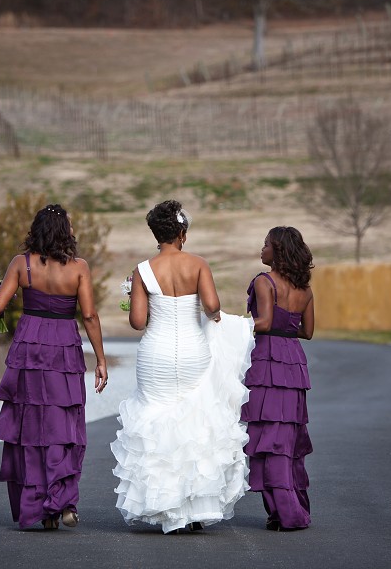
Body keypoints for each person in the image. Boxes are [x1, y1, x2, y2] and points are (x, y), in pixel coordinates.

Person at [110, 200, 254, 534]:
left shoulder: (143, 270)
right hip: (192, 351)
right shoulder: (198, 264)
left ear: (156, 234)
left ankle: (165, 507)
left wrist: (136, 295)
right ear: (182, 233)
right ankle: (196, 508)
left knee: (156, 421)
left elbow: (136, 322)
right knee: (195, 421)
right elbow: (213, 306)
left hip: (155, 353)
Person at [0, 203, 107, 531]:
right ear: (64, 231)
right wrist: (100, 360)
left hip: (29, 347)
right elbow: (88, 316)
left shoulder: (21, 264)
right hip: (64, 349)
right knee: (62, 424)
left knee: (31, 427)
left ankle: (39, 508)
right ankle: (60, 500)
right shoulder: (79, 268)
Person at [242, 226, 315, 531]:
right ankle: (290, 508)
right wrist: (287, 328)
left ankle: (284, 513)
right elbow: (307, 332)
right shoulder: (305, 289)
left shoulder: (265, 281)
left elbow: (265, 322)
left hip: (267, 362)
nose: (262, 249)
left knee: (268, 439)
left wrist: (236, 324)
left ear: (278, 252)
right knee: (287, 439)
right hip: (294, 363)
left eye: (266, 245)